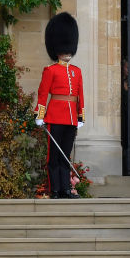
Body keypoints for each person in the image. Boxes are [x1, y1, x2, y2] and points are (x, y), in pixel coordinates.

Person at [35, 13, 85, 199]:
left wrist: (81, 117)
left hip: (71, 117)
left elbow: (80, 96)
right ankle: (54, 189)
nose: (67, 53)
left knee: (65, 155)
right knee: (53, 156)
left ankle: (66, 188)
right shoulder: (50, 70)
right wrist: (40, 114)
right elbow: (43, 93)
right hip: (55, 115)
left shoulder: (76, 72)